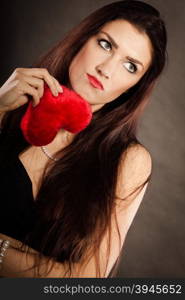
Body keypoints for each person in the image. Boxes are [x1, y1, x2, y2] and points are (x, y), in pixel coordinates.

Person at [0, 0, 167, 278]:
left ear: (135, 86)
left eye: (130, 66)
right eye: (105, 45)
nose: (107, 68)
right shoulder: (11, 106)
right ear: (82, 39)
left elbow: (86, 281)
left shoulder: (128, 160)